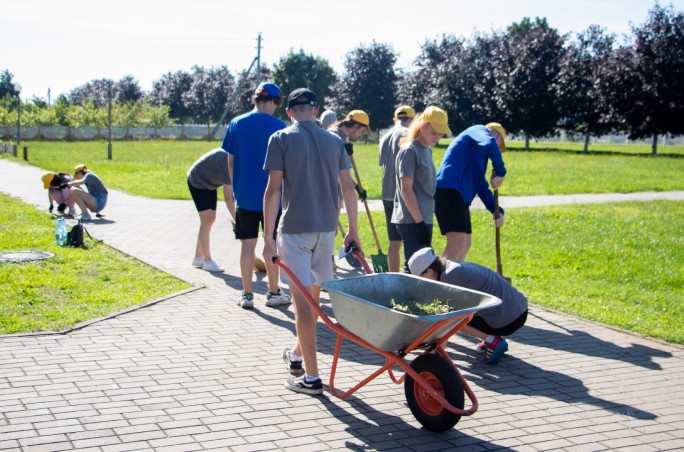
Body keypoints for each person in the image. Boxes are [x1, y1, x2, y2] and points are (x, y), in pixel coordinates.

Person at [262, 88, 361, 395]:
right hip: (326, 230)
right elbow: (348, 189)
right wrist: (353, 230)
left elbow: (272, 191)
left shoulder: (280, 138)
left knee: (302, 306)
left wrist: (267, 239)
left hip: (294, 230)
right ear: (316, 110)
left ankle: (312, 378)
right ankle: (295, 357)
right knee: (313, 301)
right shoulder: (335, 141)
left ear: (289, 111)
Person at [221, 82, 290, 309]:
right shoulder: (279, 127)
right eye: (277, 102)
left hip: (245, 195)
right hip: (273, 197)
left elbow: (230, 161)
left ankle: (247, 295)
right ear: (272, 101)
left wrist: (236, 188)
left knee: (247, 245)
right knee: (271, 243)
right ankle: (273, 292)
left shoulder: (236, 123)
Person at [408, 247, 528, 365]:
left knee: (451, 319)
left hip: (509, 321)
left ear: (430, 271)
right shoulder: (450, 267)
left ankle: (493, 340)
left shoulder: (450, 278)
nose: (421, 283)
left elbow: (447, 318)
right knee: (455, 314)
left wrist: (435, 355)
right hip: (518, 310)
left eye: (420, 278)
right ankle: (491, 336)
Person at [435, 123, 508, 261]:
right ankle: (439, 279)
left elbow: (482, 187)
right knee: (458, 244)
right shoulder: (478, 130)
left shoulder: (477, 155)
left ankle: (454, 278)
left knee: (465, 244)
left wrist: (497, 211)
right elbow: (489, 142)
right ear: (497, 136)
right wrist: (500, 172)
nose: (497, 149)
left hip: (457, 195)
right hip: (449, 190)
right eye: (500, 146)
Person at [391, 106, 451, 272]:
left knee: (423, 267)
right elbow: (406, 190)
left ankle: (416, 297)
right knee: (413, 267)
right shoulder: (409, 151)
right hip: (412, 219)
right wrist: (419, 223)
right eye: (434, 132)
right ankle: (403, 298)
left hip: (424, 217)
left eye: (440, 134)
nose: (437, 137)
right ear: (422, 126)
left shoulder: (427, 150)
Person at [187, 148, 236, 273]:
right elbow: (228, 198)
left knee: (210, 219)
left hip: (209, 183)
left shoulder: (236, 160)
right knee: (207, 219)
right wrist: (239, 221)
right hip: (197, 180)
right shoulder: (226, 160)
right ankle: (207, 261)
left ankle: (198, 258)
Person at [378, 105, 415, 272]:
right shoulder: (408, 135)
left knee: (394, 242)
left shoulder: (384, 137)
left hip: (387, 194)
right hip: (403, 194)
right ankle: (409, 279)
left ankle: (394, 278)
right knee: (410, 240)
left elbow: (382, 164)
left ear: (395, 119)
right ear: (412, 120)